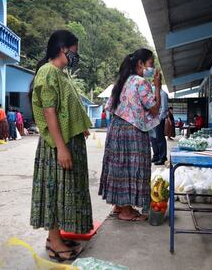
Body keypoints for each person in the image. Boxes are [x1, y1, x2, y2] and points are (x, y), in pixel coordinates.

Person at [29, 30, 92, 262]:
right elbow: (49, 112)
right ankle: (55, 243)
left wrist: (82, 126)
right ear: (61, 49)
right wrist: (62, 148)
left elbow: (69, 106)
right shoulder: (48, 72)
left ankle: (54, 238)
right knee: (55, 191)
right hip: (57, 146)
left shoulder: (61, 74)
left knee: (64, 190)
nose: (76, 56)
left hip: (66, 141)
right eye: (74, 52)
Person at [99, 48, 162, 221]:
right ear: (140, 64)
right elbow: (155, 108)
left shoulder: (121, 82)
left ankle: (119, 206)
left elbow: (111, 107)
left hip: (116, 129)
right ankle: (127, 211)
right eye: (151, 64)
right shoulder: (140, 82)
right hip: (132, 131)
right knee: (132, 168)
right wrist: (157, 86)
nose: (153, 68)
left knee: (119, 167)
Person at [151, 85, 169, 165]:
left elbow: (164, 108)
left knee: (160, 138)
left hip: (159, 119)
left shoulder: (163, 94)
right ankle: (156, 156)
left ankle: (162, 157)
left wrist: (159, 119)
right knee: (153, 138)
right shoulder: (153, 94)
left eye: (154, 83)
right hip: (152, 119)